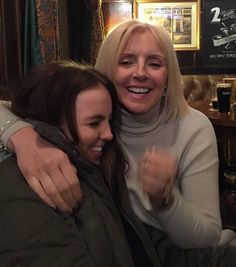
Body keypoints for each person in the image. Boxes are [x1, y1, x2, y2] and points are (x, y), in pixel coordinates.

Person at [0, 20, 236, 250]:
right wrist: (23, 138)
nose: (141, 73)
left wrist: (165, 201)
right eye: (126, 62)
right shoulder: (89, 111)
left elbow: (208, 238)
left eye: (154, 64)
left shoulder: (193, 127)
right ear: (107, 70)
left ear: (168, 76)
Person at [0, 61, 160, 267]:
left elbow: (142, 245)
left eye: (110, 121)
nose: (109, 134)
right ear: (52, 118)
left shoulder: (95, 171)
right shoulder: (22, 187)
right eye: (94, 123)